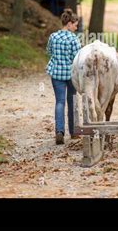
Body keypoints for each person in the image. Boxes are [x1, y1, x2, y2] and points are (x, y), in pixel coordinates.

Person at [46, 8, 81, 145]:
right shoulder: (74, 39)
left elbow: (49, 51)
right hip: (70, 75)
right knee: (72, 101)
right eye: (75, 25)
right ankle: (73, 132)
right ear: (69, 24)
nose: (76, 27)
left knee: (59, 102)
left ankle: (59, 132)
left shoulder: (53, 37)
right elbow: (77, 58)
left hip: (56, 74)